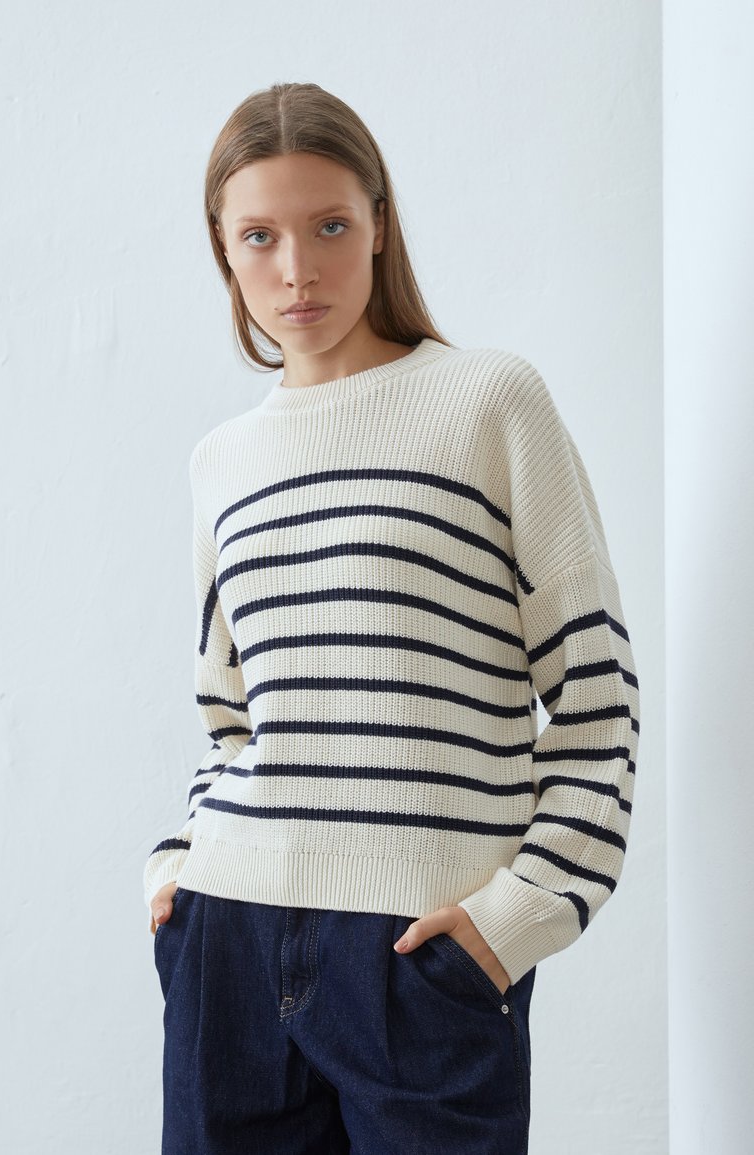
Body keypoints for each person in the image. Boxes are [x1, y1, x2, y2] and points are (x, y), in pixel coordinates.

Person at [143, 80, 640, 1155]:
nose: (296, 269)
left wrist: (519, 916)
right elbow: (231, 720)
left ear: (379, 224)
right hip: (227, 940)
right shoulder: (222, 463)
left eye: (329, 226)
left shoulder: (489, 402)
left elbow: (596, 699)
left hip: (420, 961)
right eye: (259, 236)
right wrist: (176, 871)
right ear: (223, 248)